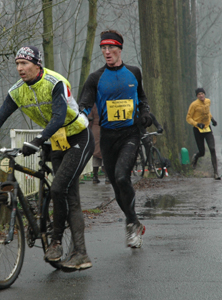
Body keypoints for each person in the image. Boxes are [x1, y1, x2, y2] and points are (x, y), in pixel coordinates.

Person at [0, 46, 94, 271]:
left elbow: (57, 118)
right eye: (17, 64)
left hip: (78, 137)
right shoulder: (17, 91)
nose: (20, 68)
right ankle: (65, 242)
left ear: (37, 65)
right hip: (56, 141)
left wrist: (37, 140)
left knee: (60, 190)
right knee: (65, 191)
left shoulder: (55, 82)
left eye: (24, 64)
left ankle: (64, 246)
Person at [79, 29, 152, 248]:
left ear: (120, 49)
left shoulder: (134, 72)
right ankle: (135, 221)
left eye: (111, 48)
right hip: (107, 137)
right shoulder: (95, 78)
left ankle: (130, 224)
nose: (107, 52)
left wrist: (145, 112)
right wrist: (80, 118)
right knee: (117, 186)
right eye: (103, 48)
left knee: (122, 177)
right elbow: (84, 104)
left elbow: (141, 96)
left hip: (130, 134)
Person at [186, 88, 220, 180]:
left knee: (212, 149)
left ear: (204, 94)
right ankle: (196, 156)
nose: (201, 95)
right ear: (197, 96)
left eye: (202, 94)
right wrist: (197, 124)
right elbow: (188, 118)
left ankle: (216, 173)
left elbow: (208, 112)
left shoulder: (208, 101)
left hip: (207, 128)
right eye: (199, 94)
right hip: (198, 130)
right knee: (202, 152)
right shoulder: (194, 105)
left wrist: (212, 120)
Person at [87, 104, 109, 184]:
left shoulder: (94, 105)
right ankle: (107, 177)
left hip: (95, 130)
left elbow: (89, 119)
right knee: (105, 153)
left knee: (95, 153)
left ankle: (95, 177)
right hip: (105, 128)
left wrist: (90, 130)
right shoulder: (106, 102)